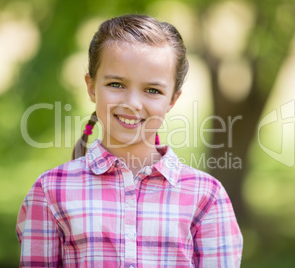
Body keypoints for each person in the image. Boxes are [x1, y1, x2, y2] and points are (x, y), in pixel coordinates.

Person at [16, 14, 243, 267]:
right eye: (116, 84)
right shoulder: (49, 192)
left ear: (172, 100)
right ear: (91, 86)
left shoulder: (206, 196)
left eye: (152, 90)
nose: (132, 104)